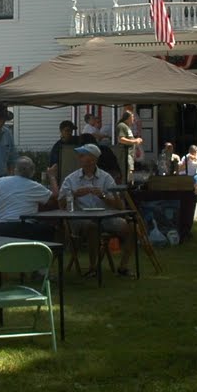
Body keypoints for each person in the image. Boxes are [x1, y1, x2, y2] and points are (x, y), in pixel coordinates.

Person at [58, 144, 136, 277]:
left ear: (93, 159)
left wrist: (103, 196)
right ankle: (93, 268)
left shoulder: (106, 178)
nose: (79, 158)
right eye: (80, 155)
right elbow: (60, 203)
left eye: (83, 155)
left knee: (131, 227)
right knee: (91, 226)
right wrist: (74, 194)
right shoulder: (71, 179)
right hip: (80, 218)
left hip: (105, 217)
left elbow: (119, 206)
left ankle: (123, 266)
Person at [0, 155, 58, 241]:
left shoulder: (1, 181)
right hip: (20, 229)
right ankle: (42, 253)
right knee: (49, 230)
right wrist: (52, 176)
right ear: (32, 172)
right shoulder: (33, 186)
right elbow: (56, 196)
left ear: (15, 169)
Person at [79, 112, 123, 176]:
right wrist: (106, 136)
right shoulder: (88, 127)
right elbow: (96, 135)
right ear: (88, 120)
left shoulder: (94, 128)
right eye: (92, 119)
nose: (94, 120)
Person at [46, 120, 81, 185]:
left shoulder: (78, 142)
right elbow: (53, 165)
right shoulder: (57, 147)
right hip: (63, 180)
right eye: (67, 130)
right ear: (61, 131)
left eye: (71, 131)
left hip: (77, 179)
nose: (69, 133)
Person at [115, 109, 143, 177]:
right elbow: (121, 139)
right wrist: (135, 141)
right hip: (124, 154)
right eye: (132, 117)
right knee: (126, 173)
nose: (134, 119)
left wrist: (136, 140)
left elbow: (128, 138)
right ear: (128, 118)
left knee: (130, 173)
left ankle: (129, 185)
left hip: (130, 154)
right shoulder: (122, 126)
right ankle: (126, 185)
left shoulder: (127, 127)